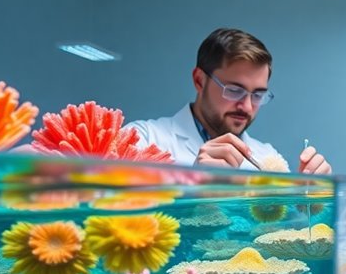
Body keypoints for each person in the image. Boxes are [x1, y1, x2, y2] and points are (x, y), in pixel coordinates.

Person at [127, 28, 331, 174]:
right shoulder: (140, 139)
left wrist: (310, 203)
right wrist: (193, 186)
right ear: (199, 80)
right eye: (234, 91)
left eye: (258, 95)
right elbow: (106, 220)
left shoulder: (266, 157)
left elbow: (282, 228)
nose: (247, 106)